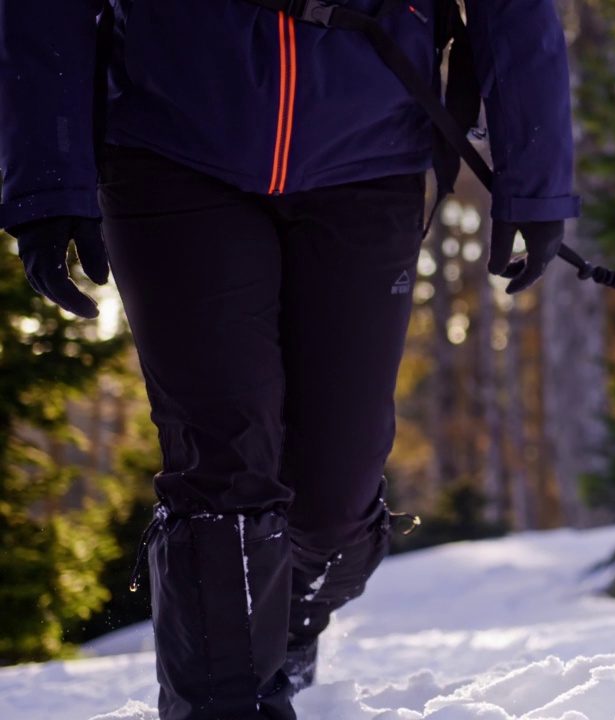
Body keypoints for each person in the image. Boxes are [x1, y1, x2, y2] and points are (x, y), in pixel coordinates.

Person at [0, 1, 579, 718]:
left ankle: (288, 623)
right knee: (225, 458)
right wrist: (46, 178)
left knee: (337, 487)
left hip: (370, 157)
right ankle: (228, 698)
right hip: (170, 148)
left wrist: (536, 173)